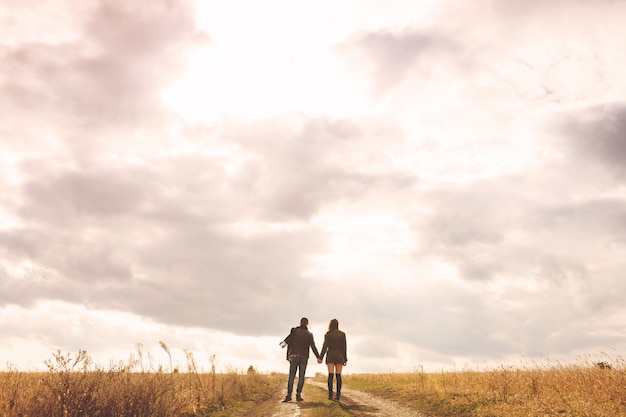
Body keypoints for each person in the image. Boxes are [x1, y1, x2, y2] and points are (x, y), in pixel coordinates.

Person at [281, 317, 320, 402]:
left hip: (294, 356)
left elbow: (288, 342)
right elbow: (313, 347)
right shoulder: (309, 334)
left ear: (300, 322)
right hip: (304, 357)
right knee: (301, 376)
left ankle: (288, 396)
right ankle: (298, 395)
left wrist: (288, 355)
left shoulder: (294, 331)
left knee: (291, 376)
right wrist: (318, 357)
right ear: (307, 324)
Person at [318, 318, 347, 400]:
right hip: (340, 355)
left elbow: (325, 346)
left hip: (330, 355)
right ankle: (338, 395)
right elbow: (344, 347)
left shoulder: (328, 334)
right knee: (338, 375)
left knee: (330, 375)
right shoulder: (342, 334)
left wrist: (320, 357)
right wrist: (345, 359)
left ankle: (330, 395)